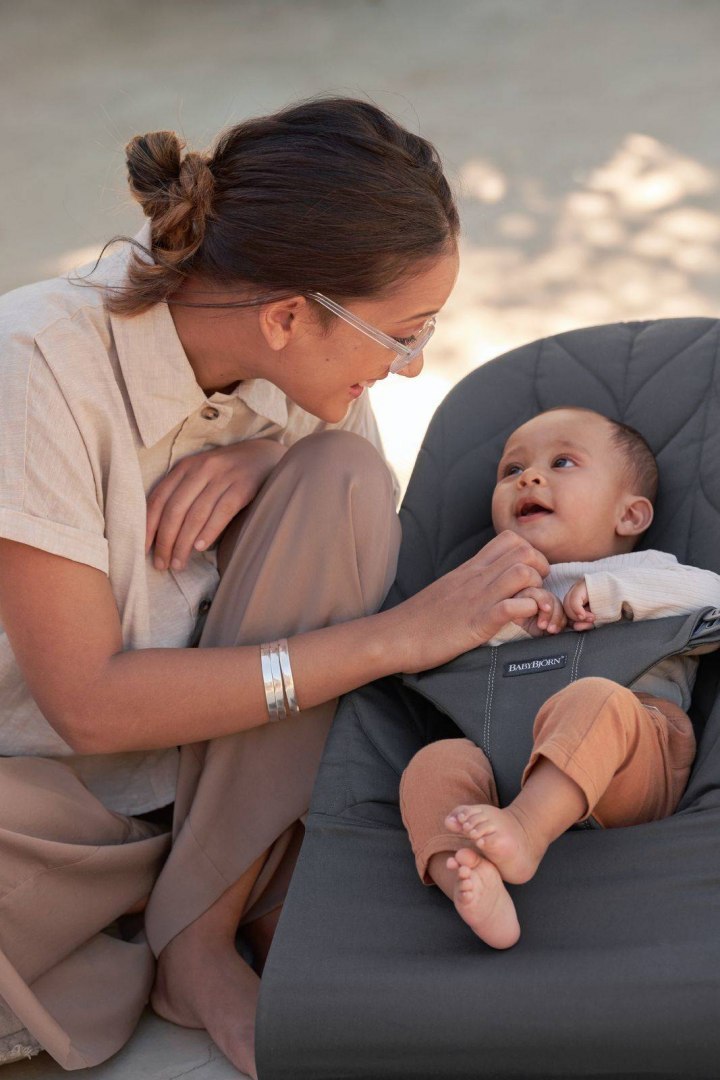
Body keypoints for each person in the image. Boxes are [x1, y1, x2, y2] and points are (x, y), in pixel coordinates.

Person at [0, 97, 551, 1076]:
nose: (413, 365)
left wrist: (271, 456)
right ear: (289, 316)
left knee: (342, 478)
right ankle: (215, 892)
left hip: (227, 783)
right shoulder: (34, 367)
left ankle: (203, 925)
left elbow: (337, 536)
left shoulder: (305, 377)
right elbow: (87, 705)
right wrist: (399, 637)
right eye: (405, 333)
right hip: (50, 799)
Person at [400, 407, 720, 951]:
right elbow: (428, 653)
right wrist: (505, 622)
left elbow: (711, 599)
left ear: (630, 516)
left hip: (633, 761)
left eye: (562, 462)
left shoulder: (649, 572)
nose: (528, 477)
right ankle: (468, 875)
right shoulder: (489, 589)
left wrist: (611, 596)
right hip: (508, 764)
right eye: (511, 470)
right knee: (433, 764)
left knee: (594, 699)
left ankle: (526, 831)